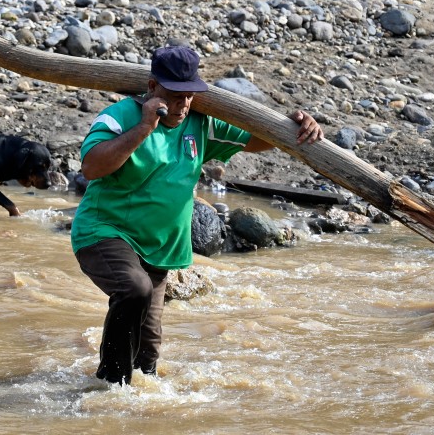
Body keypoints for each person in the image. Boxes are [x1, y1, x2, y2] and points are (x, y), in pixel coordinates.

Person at [71, 44, 324, 385]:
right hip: (105, 232)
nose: (183, 104)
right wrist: (144, 127)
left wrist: (294, 123)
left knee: (147, 357)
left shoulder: (200, 123)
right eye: (175, 96)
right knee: (134, 288)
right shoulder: (119, 117)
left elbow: (257, 139)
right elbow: (91, 167)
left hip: (159, 250)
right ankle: (108, 387)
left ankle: (127, 396)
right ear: (152, 88)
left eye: (189, 96)